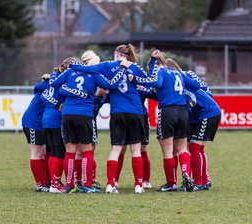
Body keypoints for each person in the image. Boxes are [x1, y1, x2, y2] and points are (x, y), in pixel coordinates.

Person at [70, 44, 148, 194]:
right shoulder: (135, 67)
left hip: (117, 112)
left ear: (117, 54)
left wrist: (74, 65)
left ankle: (110, 184)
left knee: (115, 149)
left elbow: (88, 69)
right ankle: (139, 185)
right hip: (135, 111)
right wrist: (135, 78)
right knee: (136, 149)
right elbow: (148, 82)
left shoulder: (107, 65)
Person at [53, 51, 126, 193]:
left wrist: (67, 89)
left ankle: (69, 184)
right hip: (84, 114)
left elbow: (55, 83)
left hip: (67, 113)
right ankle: (86, 184)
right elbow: (111, 85)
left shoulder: (70, 71)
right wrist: (122, 69)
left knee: (70, 151)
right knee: (87, 150)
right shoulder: (94, 74)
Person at [130, 49, 193, 192]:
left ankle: (171, 183)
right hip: (182, 111)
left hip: (168, 111)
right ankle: (186, 174)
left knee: (168, 151)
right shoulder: (178, 73)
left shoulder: (161, 71)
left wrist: (136, 79)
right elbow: (193, 85)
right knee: (183, 148)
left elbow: (156, 83)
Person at [166, 58, 221, 191]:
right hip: (206, 112)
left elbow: (191, 102)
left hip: (207, 113)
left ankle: (199, 182)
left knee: (195, 147)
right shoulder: (188, 74)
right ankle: (204, 180)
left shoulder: (182, 79)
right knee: (198, 148)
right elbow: (206, 91)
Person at [40, 59, 69, 193]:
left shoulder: (53, 77)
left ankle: (53, 182)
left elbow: (44, 96)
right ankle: (55, 184)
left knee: (53, 151)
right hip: (56, 119)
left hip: (47, 119)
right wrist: (58, 105)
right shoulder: (62, 79)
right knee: (59, 152)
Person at [22, 74, 50, 192]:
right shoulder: (49, 84)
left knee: (43, 151)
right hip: (32, 121)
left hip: (41, 122)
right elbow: (38, 87)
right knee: (36, 152)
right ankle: (40, 184)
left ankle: (46, 182)